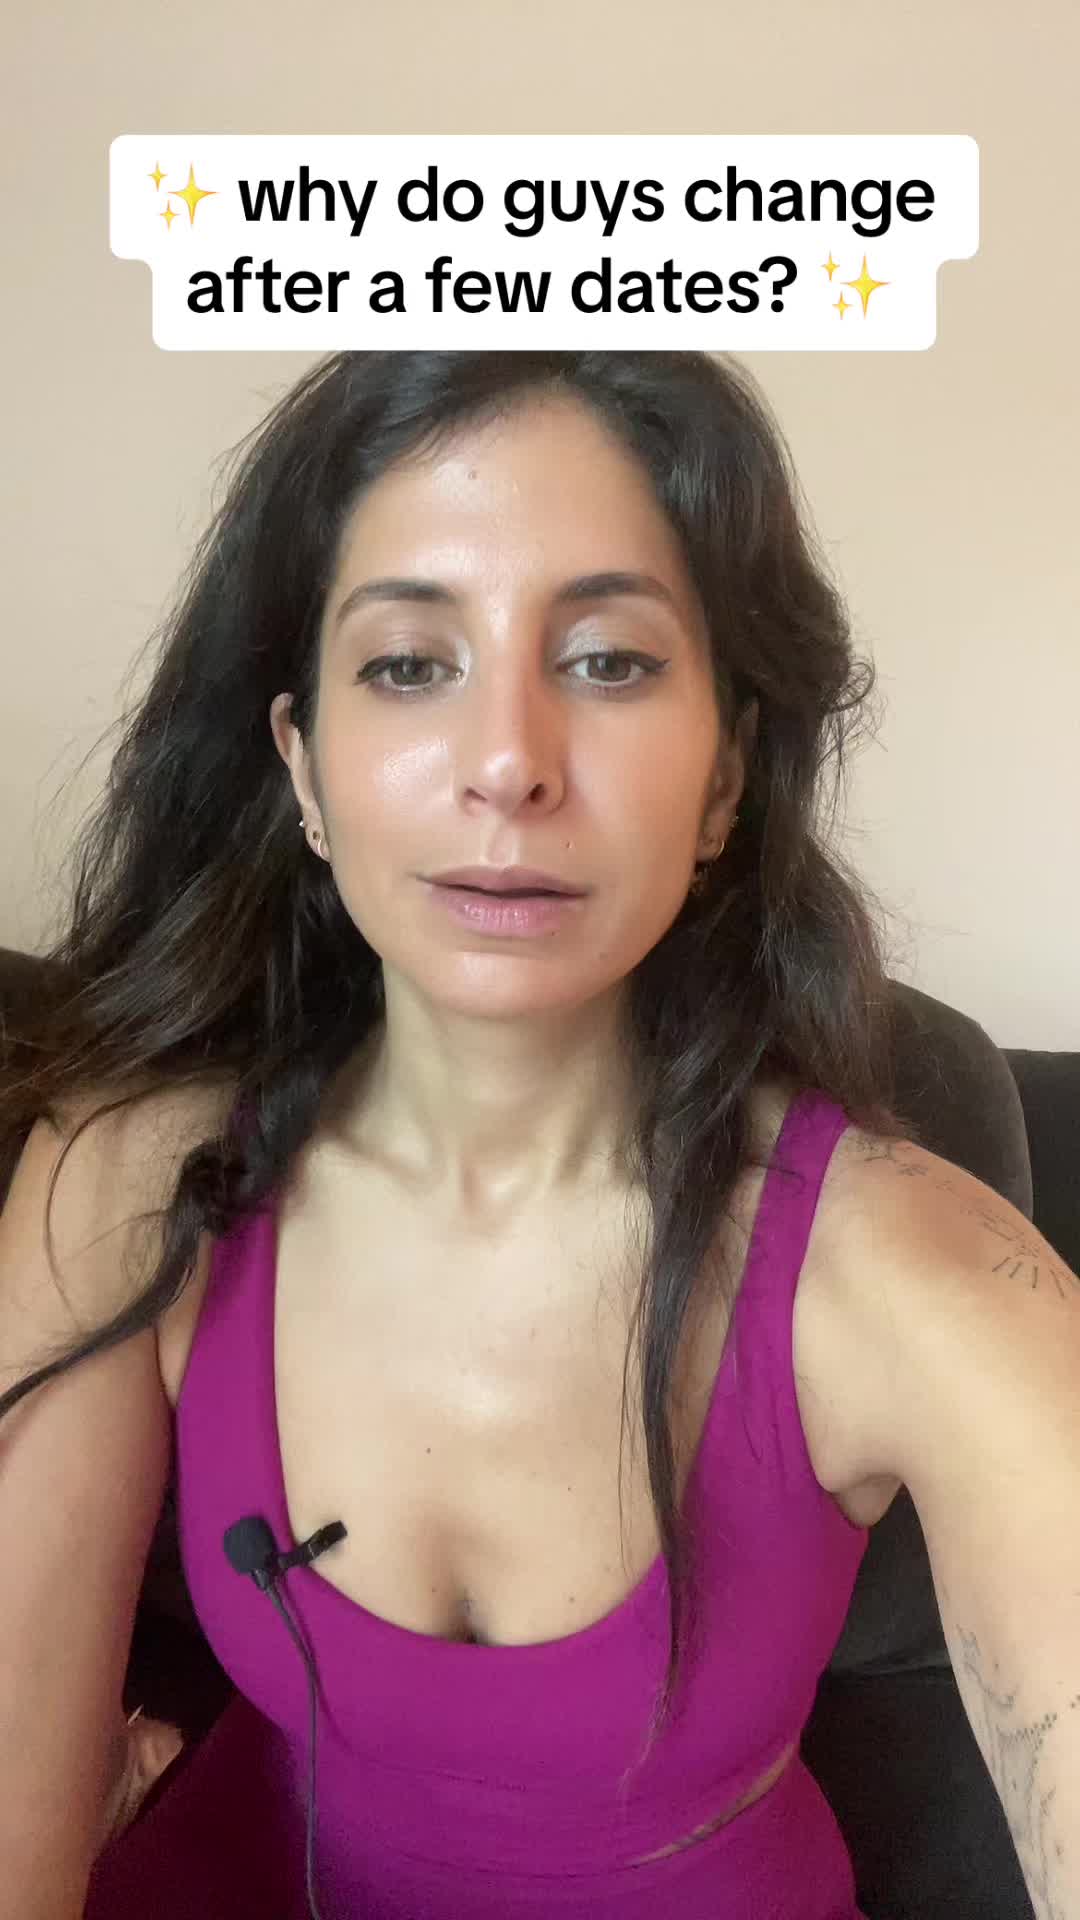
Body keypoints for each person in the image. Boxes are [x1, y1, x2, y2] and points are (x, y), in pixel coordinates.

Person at [0, 350, 930, 1918]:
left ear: (725, 778)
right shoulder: (127, 1180)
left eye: (610, 661)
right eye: (410, 664)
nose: (508, 762)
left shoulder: (903, 1265)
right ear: (302, 765)